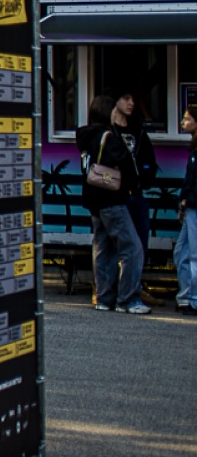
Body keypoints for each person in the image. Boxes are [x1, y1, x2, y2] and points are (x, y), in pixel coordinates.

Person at [77, 90, 155, 314]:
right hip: (112, 199)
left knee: (103, 249)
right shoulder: (108, 137)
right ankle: (128, 299)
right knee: (132, 248)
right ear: (106, 112)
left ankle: (104, 298)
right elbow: (126, 165)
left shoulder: (86, 136)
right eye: (112, 110)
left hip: (94, 201)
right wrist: (134, 181)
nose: (115, 114)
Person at [176, 103, 196, 317]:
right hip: (189, 205)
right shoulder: (193, 150)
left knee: (192, 254)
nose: (183, 122)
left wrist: (186, 200)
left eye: (188, 118)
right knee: (181, 251)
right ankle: (185, 296)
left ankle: (193, 299)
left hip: (193, 206)